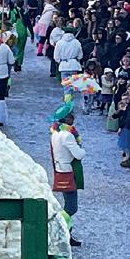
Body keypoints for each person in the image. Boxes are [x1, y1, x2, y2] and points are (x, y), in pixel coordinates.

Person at [49, 101, 85, 247]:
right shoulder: (68, 136)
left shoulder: (55, 133)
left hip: (60, 169)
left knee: (68, 204)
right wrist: (81, 148)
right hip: (68, 172)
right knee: (71, 207)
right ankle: (59, 229)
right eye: (71, 116)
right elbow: (79, 154)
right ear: (66, 119)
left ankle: (67, 234)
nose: (73, 118)